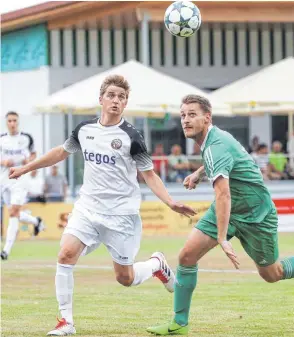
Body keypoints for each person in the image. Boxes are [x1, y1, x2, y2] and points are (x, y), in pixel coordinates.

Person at [9, 75, 196, 336]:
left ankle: (156, 265)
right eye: (111, 95)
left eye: (122, 97)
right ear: (101, 99)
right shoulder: (84, 130)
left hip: (121, 215)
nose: (116, 100)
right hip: (87, 208)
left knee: (125, 279)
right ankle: (66, 322)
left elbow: (149, 174)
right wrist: (26, 168)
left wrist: (171, 202)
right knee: (65, 255)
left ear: (125, 103)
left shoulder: (132, 137)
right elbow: (61, 152)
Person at [146, 94, 294, 336]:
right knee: (187, 255)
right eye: (183, 115)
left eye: (192, 114)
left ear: (207, 118)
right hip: (231, 209)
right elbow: (222, 164)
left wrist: (221, 238)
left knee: (272, 274)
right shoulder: (213, 141)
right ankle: (179, 324)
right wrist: (198, 174)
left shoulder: (215, 145)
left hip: (256, 214)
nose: (185, 120)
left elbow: (223, 195)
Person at [1, 111, 45, 261]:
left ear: (18, 122)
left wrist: (28, 162)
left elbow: (33, 154)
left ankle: (6, 250)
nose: (12, 123)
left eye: (14, 121)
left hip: (20, 180)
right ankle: (36, 221)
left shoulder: (26, 138)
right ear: (6, 123)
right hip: (4, 179)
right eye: (10, 121)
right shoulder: (2, 139)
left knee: (13, 212)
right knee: (14, 213)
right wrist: (3, 162)